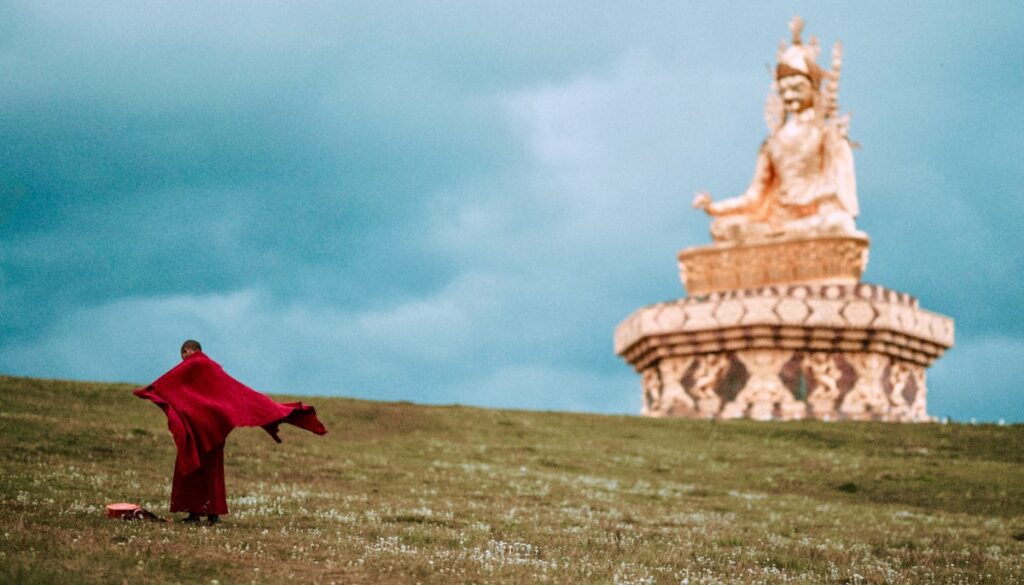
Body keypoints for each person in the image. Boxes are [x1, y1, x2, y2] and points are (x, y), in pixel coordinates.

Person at [693, 16, 859, 243]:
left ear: (813, 88)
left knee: (838, 224)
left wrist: (820, 204)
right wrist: (714, 207)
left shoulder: (827, 134)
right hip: (776, 222)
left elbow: (839, 190)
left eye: (797, 88)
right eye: (785, 90)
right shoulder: (773, 143)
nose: (790, 96)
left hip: (813, 220)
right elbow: (754, 197)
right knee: (722, 229)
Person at [135, 340, 328, 525]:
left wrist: (151, 390)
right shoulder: (212, 368)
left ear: (188, 351)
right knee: (212, 473)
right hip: (213, 430)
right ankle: (211, 515)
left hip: (198, 430)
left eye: (183, 355)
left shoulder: (195, 364)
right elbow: (233, 393)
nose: (183, 360)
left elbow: (169, 382)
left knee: (193, 470)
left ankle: (195, 514)